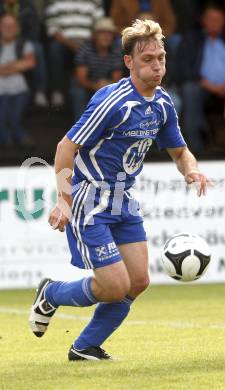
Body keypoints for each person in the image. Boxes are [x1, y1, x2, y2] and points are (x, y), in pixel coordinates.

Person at [29, 19, 210, 361]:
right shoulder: (112, 101)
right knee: (114, 286)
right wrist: (63, 201)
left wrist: (192, 169)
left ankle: (84, 347)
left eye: (161, 57)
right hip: (90, 201)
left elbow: (179, 150)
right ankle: (51, 293)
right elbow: (65, 148)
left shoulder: (163, 104)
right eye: (148, 59)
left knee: (138, 281)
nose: (157, 65)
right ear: (129, 62)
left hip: (124, 200)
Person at [175, 3, 225, 153]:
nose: (214, 23)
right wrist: (207, 84)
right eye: (210, 18)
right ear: (203, 20)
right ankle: (194, 148)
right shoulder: (192, 39)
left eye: (218, 19)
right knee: (190, 90)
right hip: (203, 87)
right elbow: (183, 68)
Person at [44, 0, 105, 107]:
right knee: (54, 48)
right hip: (64, 44)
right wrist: (73, 45)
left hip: (89, 43)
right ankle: (57, 91)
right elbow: (52, 29)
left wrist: (85, 45)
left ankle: (99, 88)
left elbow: (99, 26)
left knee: (100, 45)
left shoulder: (95, 2)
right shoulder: (54, 2)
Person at [70, 17, 123, 121]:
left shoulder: (116, 50)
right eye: (102, 33)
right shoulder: (85, 49)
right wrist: (96, 86)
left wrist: (106, 86)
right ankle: (80, 129)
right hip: (86, 86)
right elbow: (81, 78)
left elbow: (117, 78)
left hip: (108, 86)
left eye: (109, 33)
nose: (106, 36)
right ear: (95, 35)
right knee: (78, 92)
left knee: (118, 93)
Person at [0, 0, 49, 107]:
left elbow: (34, 29)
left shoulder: (27, 5)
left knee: (37, 48)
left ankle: (40, 90)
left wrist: (18, 41)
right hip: (2, 39)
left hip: (23, 40)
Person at [0, 14, 35, 146]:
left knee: (14, 117)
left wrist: (4, 68)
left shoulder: (24, 44)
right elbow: (24, 63)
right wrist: (16, 65)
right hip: (1, 90)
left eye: (11, 26)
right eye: (5, 25)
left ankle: (16, 138)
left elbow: (30, 63)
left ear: (17, 28)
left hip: (20, 90)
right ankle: (11, 140)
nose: (8, 29)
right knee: (2, 117)